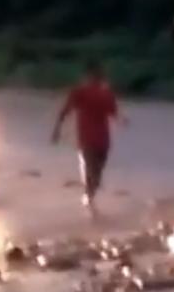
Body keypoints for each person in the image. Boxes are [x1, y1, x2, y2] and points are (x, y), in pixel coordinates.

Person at [52, 59, 127, 216]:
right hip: (87, 139)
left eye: (99, 74)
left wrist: (121, 120)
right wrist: (57, 129)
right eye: (95, 74)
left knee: (97, 173)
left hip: (103, 140)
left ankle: (89, 196)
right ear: (89, 75)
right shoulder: (80, 92)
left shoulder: (106, 94)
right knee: (91, 170)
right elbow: (66, 110)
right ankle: (89, 199)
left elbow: (113, 112)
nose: (98, 77)